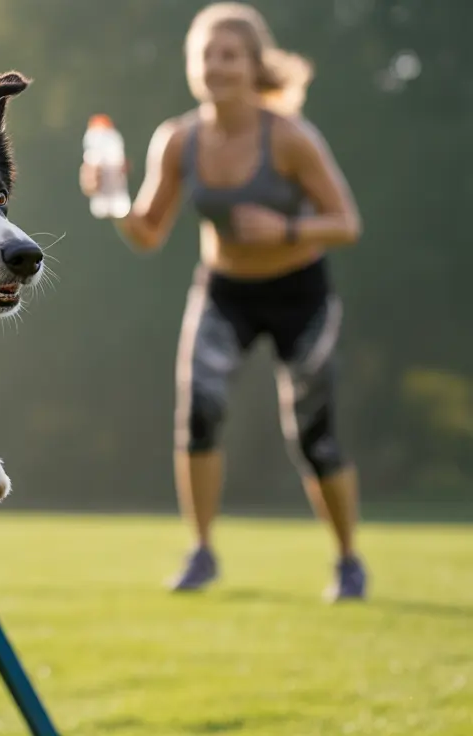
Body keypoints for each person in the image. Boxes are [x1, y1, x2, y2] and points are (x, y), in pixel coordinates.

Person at [79, 1, 366, 601]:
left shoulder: (289, 138)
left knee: (315, 436)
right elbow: (150, 234)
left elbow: (346, 222)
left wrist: (286, 231)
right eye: (205, 56)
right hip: (224, 292)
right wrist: (111, 200)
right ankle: (202, 552)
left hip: (299, 295)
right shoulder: (177, 140)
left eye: (229, 56)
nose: (216, 67)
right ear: (192, 66)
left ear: (253, 65)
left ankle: (347, 560)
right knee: (199, 415)